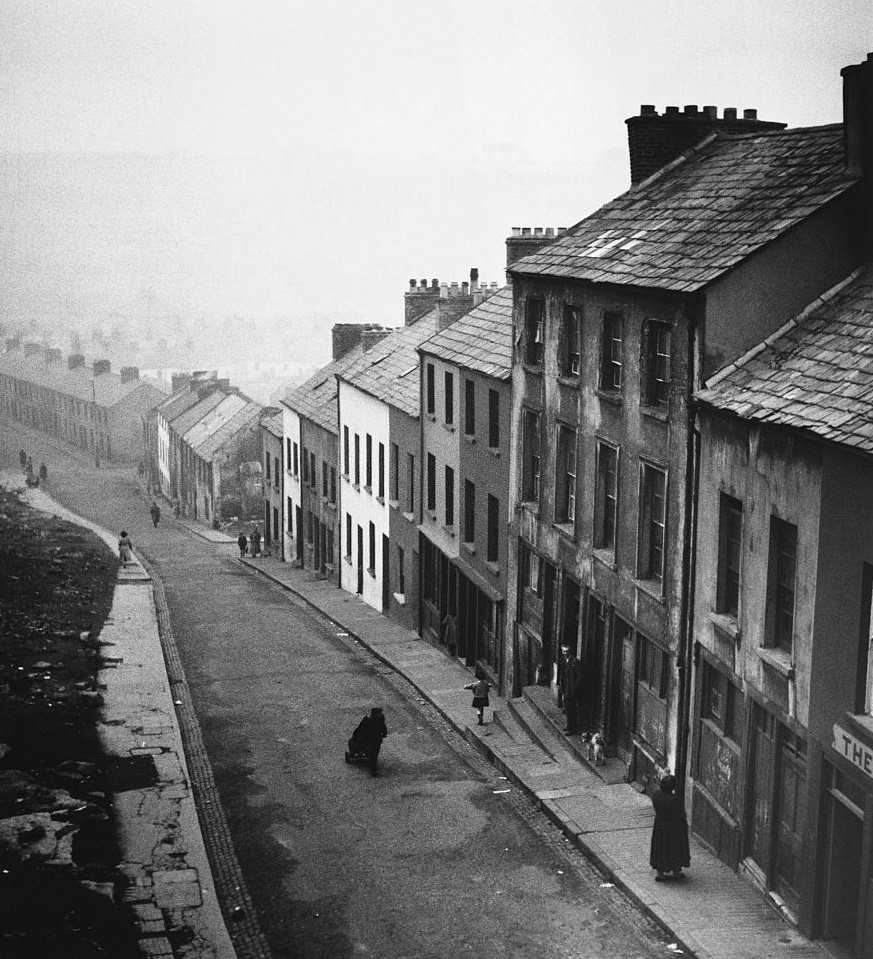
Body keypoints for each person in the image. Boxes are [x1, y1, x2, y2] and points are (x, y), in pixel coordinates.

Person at [649, 774, 691, 881]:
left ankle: (660, 873)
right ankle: (676, 871)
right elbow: (680, 815)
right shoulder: (675, 801)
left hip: (659, 826)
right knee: (674, 849)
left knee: (660, 849)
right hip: (673, 828)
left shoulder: (656, 796)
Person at [349, 707, 388, 776]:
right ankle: (373, 770)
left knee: (375, 752)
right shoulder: (367, 719)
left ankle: (373, 766)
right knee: (373, 753)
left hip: (377, 738)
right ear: (374, 714)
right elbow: (361, 729)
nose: (380, 714)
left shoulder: (381, 717)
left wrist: (384, 733)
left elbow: (383, 725)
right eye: (379, 713)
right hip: (368, 738)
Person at [560, 644, 584, 735]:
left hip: (572, 690)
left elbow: (580, 676)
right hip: (566, 689)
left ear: (569, 652)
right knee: (567, 708)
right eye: (563, 651)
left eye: (566, 651)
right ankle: (569, 726)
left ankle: (572, 729)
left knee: (572, 709)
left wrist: (575, 687)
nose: (565, 653)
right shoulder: (563, 660)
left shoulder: (575, 662)